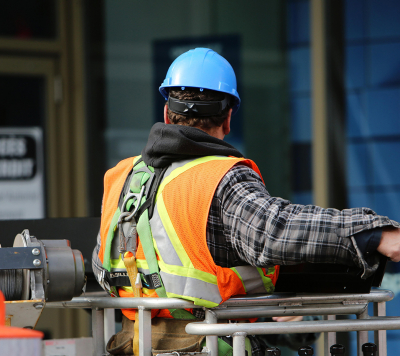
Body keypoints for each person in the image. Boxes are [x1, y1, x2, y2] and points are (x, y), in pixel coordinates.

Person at [92, 48, 400, 356]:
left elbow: (101, 264)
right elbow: (273, 231)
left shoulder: (122, 177)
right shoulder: (220, 177)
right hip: (207, 343)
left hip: (134, 344)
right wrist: (374, 233)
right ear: (227, 119)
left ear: (166, 114)